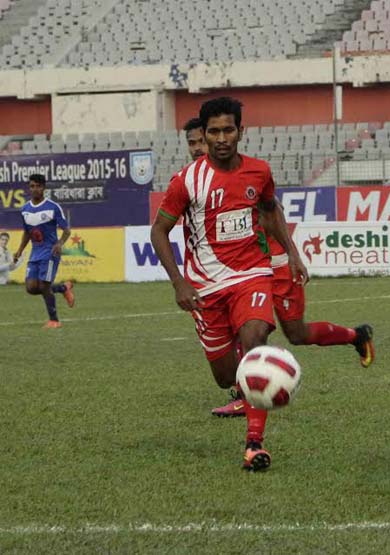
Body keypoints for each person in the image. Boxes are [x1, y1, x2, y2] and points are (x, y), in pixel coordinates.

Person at [177, 117, 376, 418]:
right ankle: (248, 393)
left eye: (199, 142)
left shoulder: (242, 172)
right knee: (245, 333)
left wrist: (292, 254)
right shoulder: (194, 179)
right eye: (192, 143)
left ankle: (355, 336)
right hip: (238, 274)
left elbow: (272, 210)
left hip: (272, 263)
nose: (197, 148)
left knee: (295, 333)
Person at [151, 96, 309, 471]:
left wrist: (292, 253)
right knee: (226, 376)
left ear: (241, 131)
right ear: (203, 136)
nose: (222, 138)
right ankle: (243, 386)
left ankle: (254, 444)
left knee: (254, 340)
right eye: (214, 131)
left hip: (252, 273)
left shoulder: (259, 172)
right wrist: (179, 284)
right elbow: (159, 231)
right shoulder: (187, 181)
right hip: (205, 286)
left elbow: (270, 211)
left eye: (228, 130)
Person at [13, 175, 75, 327]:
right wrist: (20, 250)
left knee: (45, 286)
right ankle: (63, 288)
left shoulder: (53, 207)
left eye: (38, 186)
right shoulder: (25, 209)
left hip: (50, 252)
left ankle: (54, 320)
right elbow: (27, 232)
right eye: (32, 186)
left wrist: (59, 243)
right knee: (32, 288)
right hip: (35, 252)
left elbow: (67, 230)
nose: (34, 189)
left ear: (43, 188)